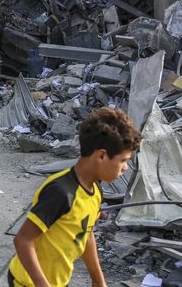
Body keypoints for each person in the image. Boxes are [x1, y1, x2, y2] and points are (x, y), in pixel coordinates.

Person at [9, 108, 141, 287]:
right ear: (101, 155)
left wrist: (98, 280)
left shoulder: (95, 189)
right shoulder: (61, 192)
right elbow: (23, 240)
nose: (125, 168)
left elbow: (86, 234)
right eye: (123, 160)